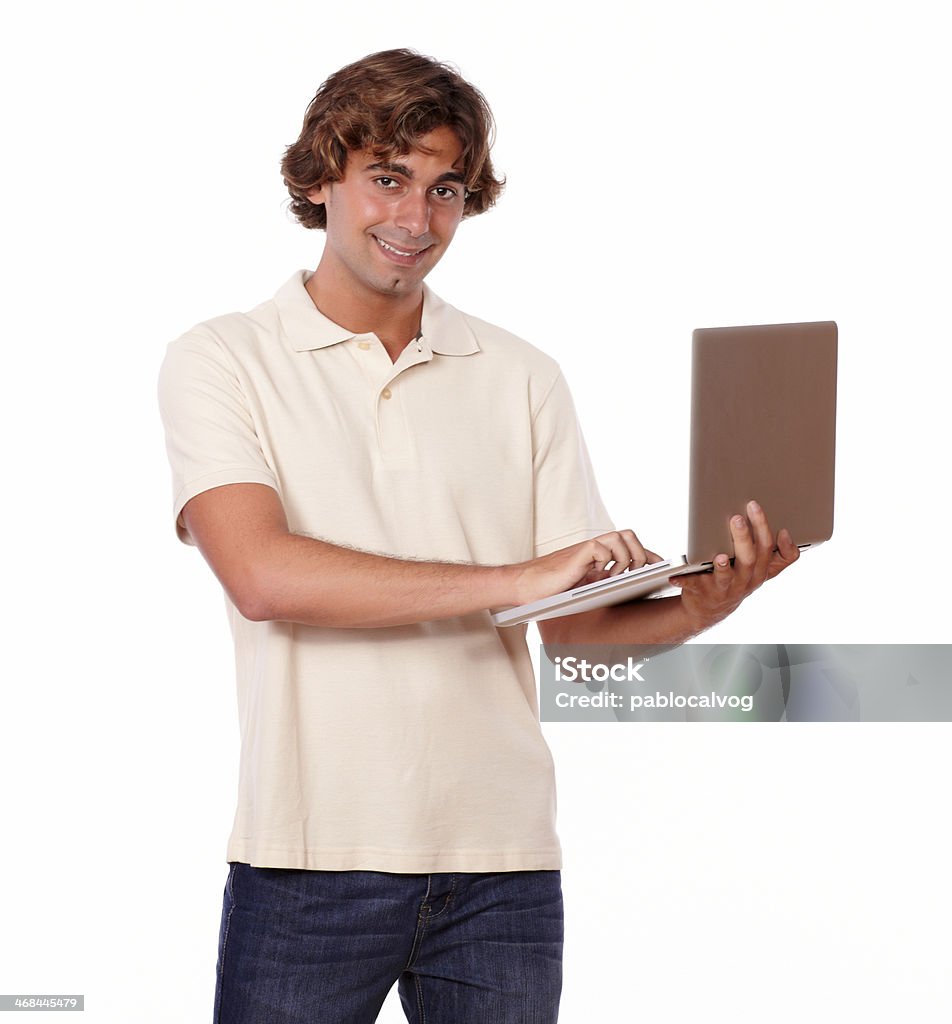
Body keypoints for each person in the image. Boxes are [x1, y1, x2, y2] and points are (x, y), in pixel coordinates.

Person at [157, 47, 800, 1024]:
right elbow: (261, 574)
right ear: (322, 174)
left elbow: (574, 638)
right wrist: (520, 573)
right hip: (309, 863)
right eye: (387, 178)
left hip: (502, 868)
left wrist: (707, 598)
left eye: (445, 188)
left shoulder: (522, 375)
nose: (416, 220)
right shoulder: (222, 360)